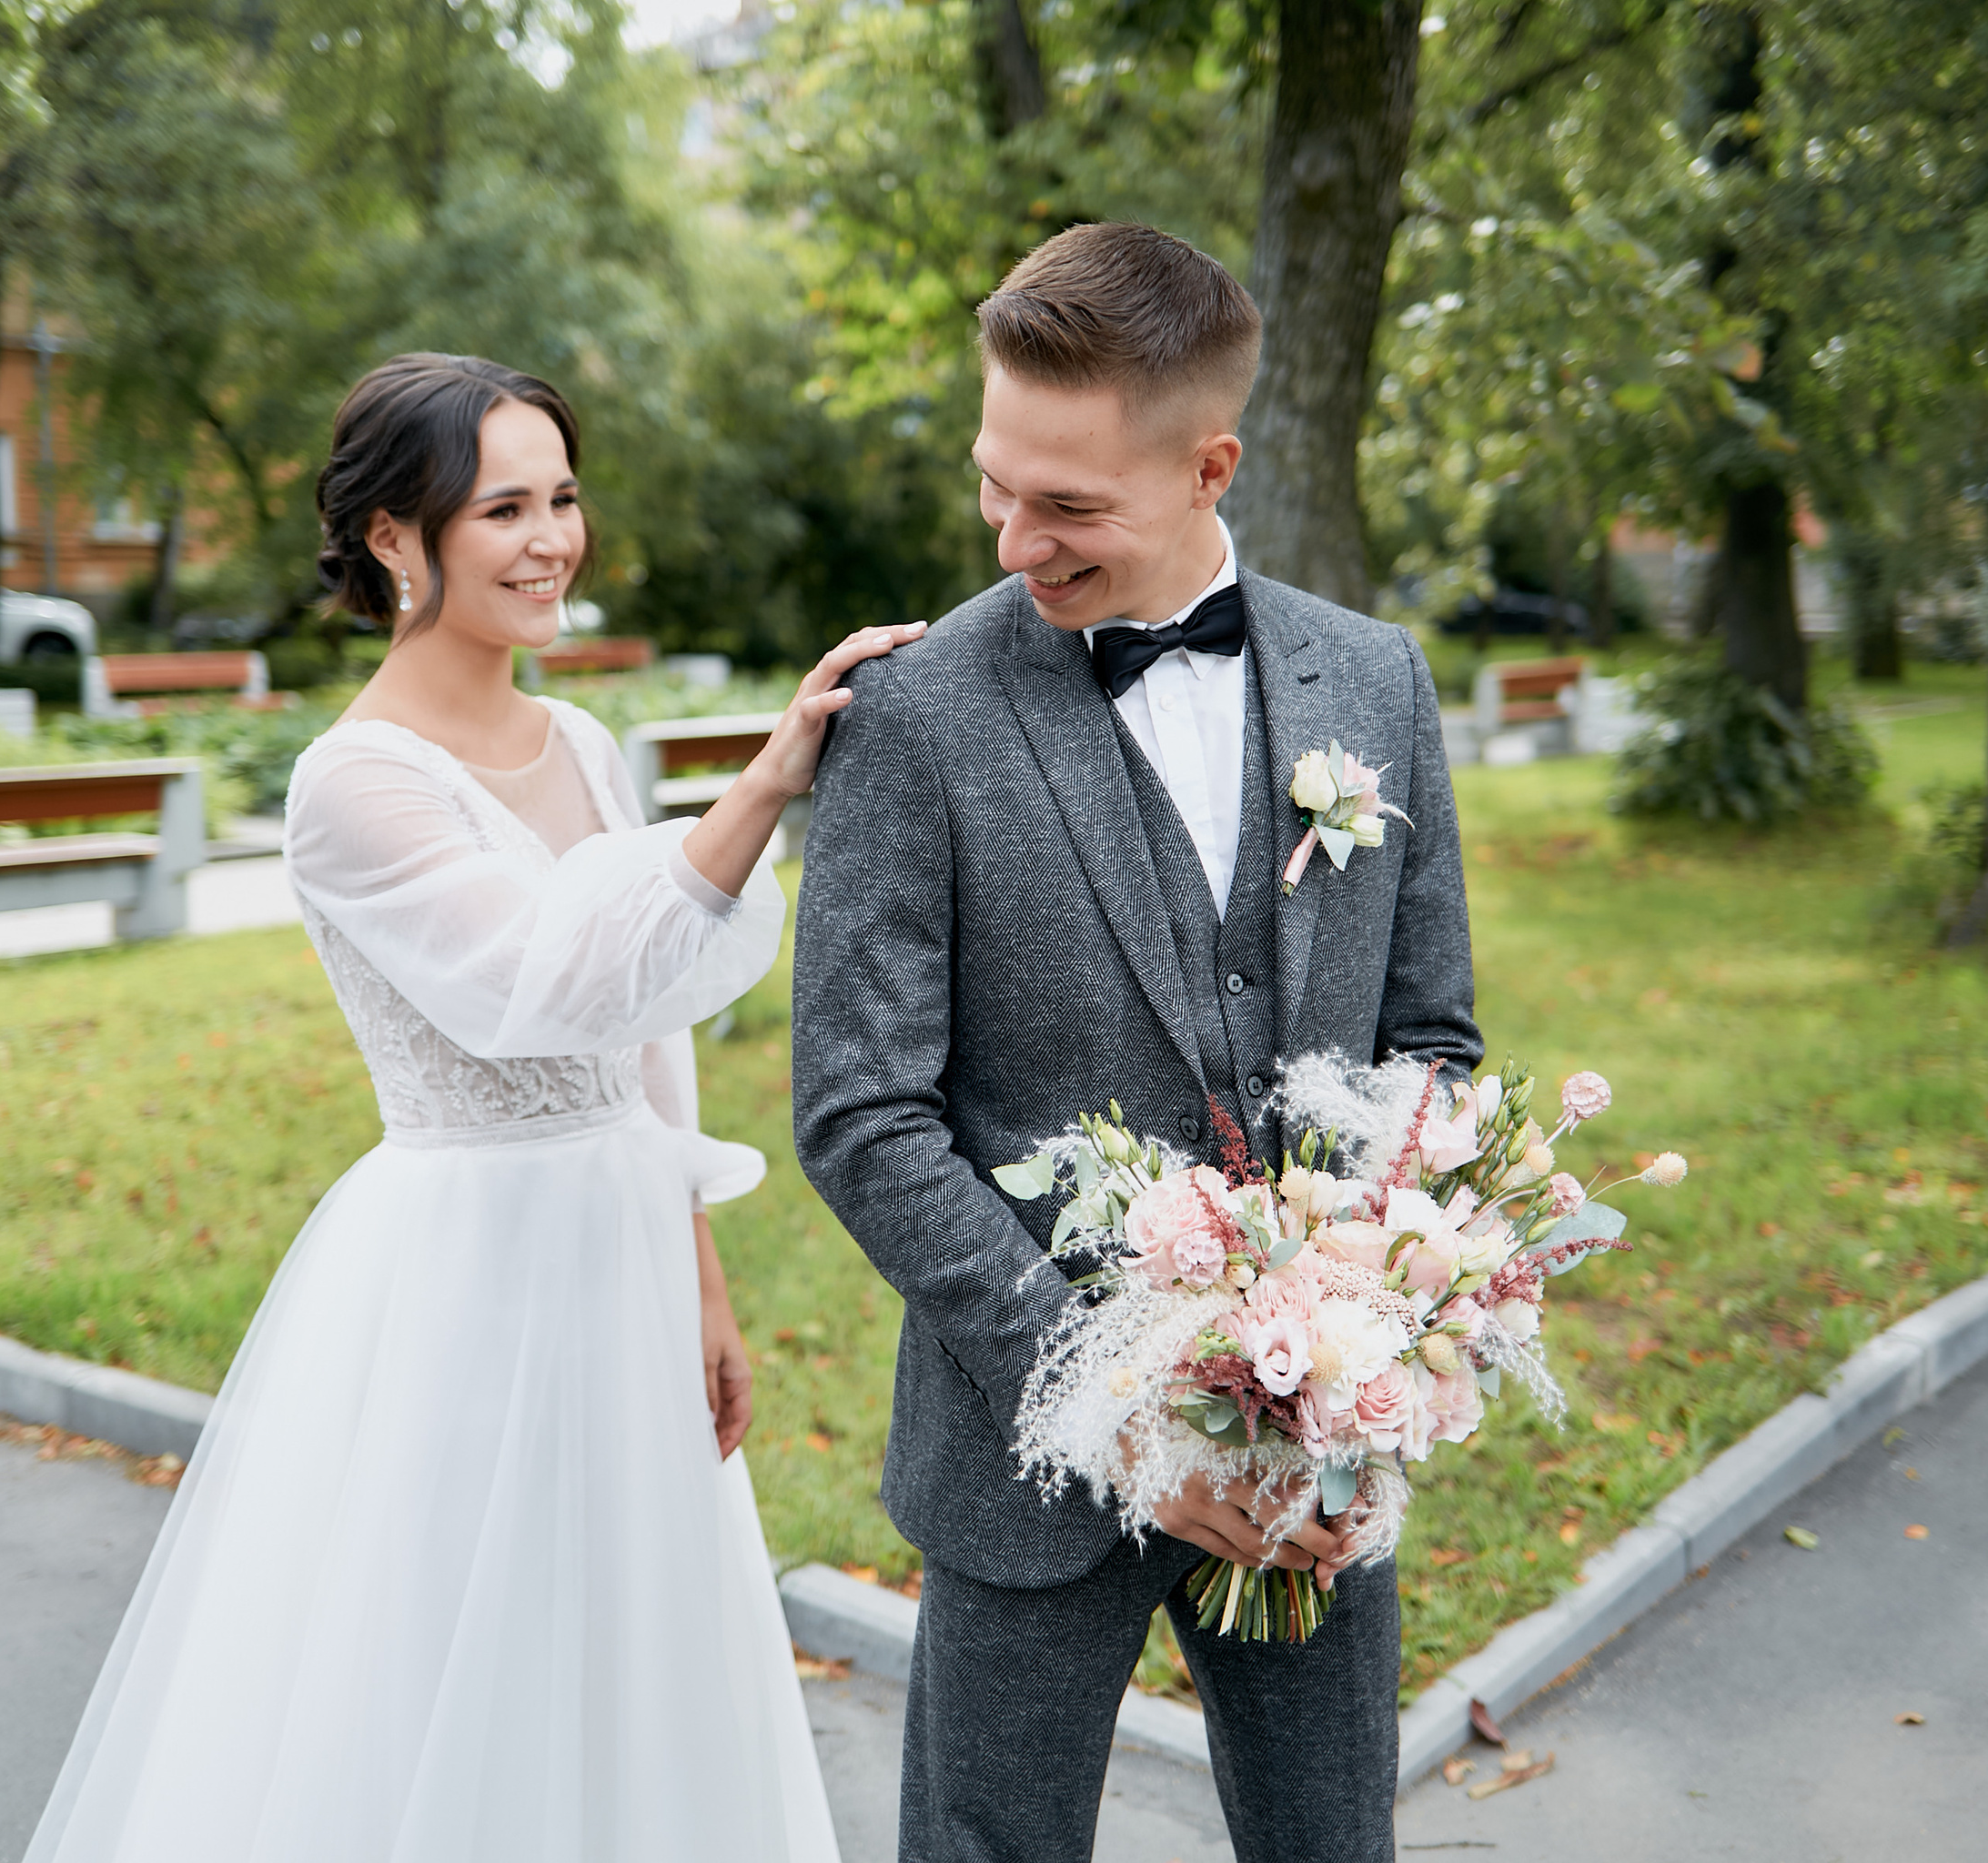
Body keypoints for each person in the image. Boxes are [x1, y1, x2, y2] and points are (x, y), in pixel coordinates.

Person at [25, 352, 920, 1862]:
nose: (548, 539)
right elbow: (548, 982)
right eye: (501, 507)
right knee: (465, 1632)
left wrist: (696, 1258)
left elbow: (644, 1032)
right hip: (465, 1269)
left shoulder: (579, 744)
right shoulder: (352, 786)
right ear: (393, 538)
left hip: (624, 1243)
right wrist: (765, 785)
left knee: (630, 1626)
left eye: (561, 498)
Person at [792, 224, 1484, 1863]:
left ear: (1210, 466)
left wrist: (1369, 1346)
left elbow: (1431, 1051)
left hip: (1314, 1460)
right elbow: (861, 1113)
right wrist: (1118, 1405)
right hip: (1020, 1458)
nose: (1017, 538)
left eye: (1071, 506)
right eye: (995, 484)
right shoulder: (913, 714)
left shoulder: (1374, 686)